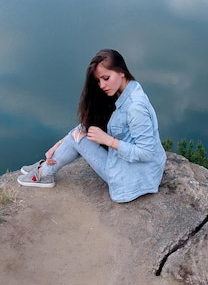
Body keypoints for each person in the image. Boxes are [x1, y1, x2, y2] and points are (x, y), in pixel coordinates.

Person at [17, 49, 167, 203]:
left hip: (131, 180)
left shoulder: (135, 107)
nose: (102, 85)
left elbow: (146, 153)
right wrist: (59, 143)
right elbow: (87, 126)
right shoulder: (128, 90)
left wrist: (108, 140)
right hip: (141, 172)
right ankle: (46, 167)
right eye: (98, 80)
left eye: (106, 78)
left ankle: (42, 174)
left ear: (121, 71)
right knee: (77, 133)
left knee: (76, 139)